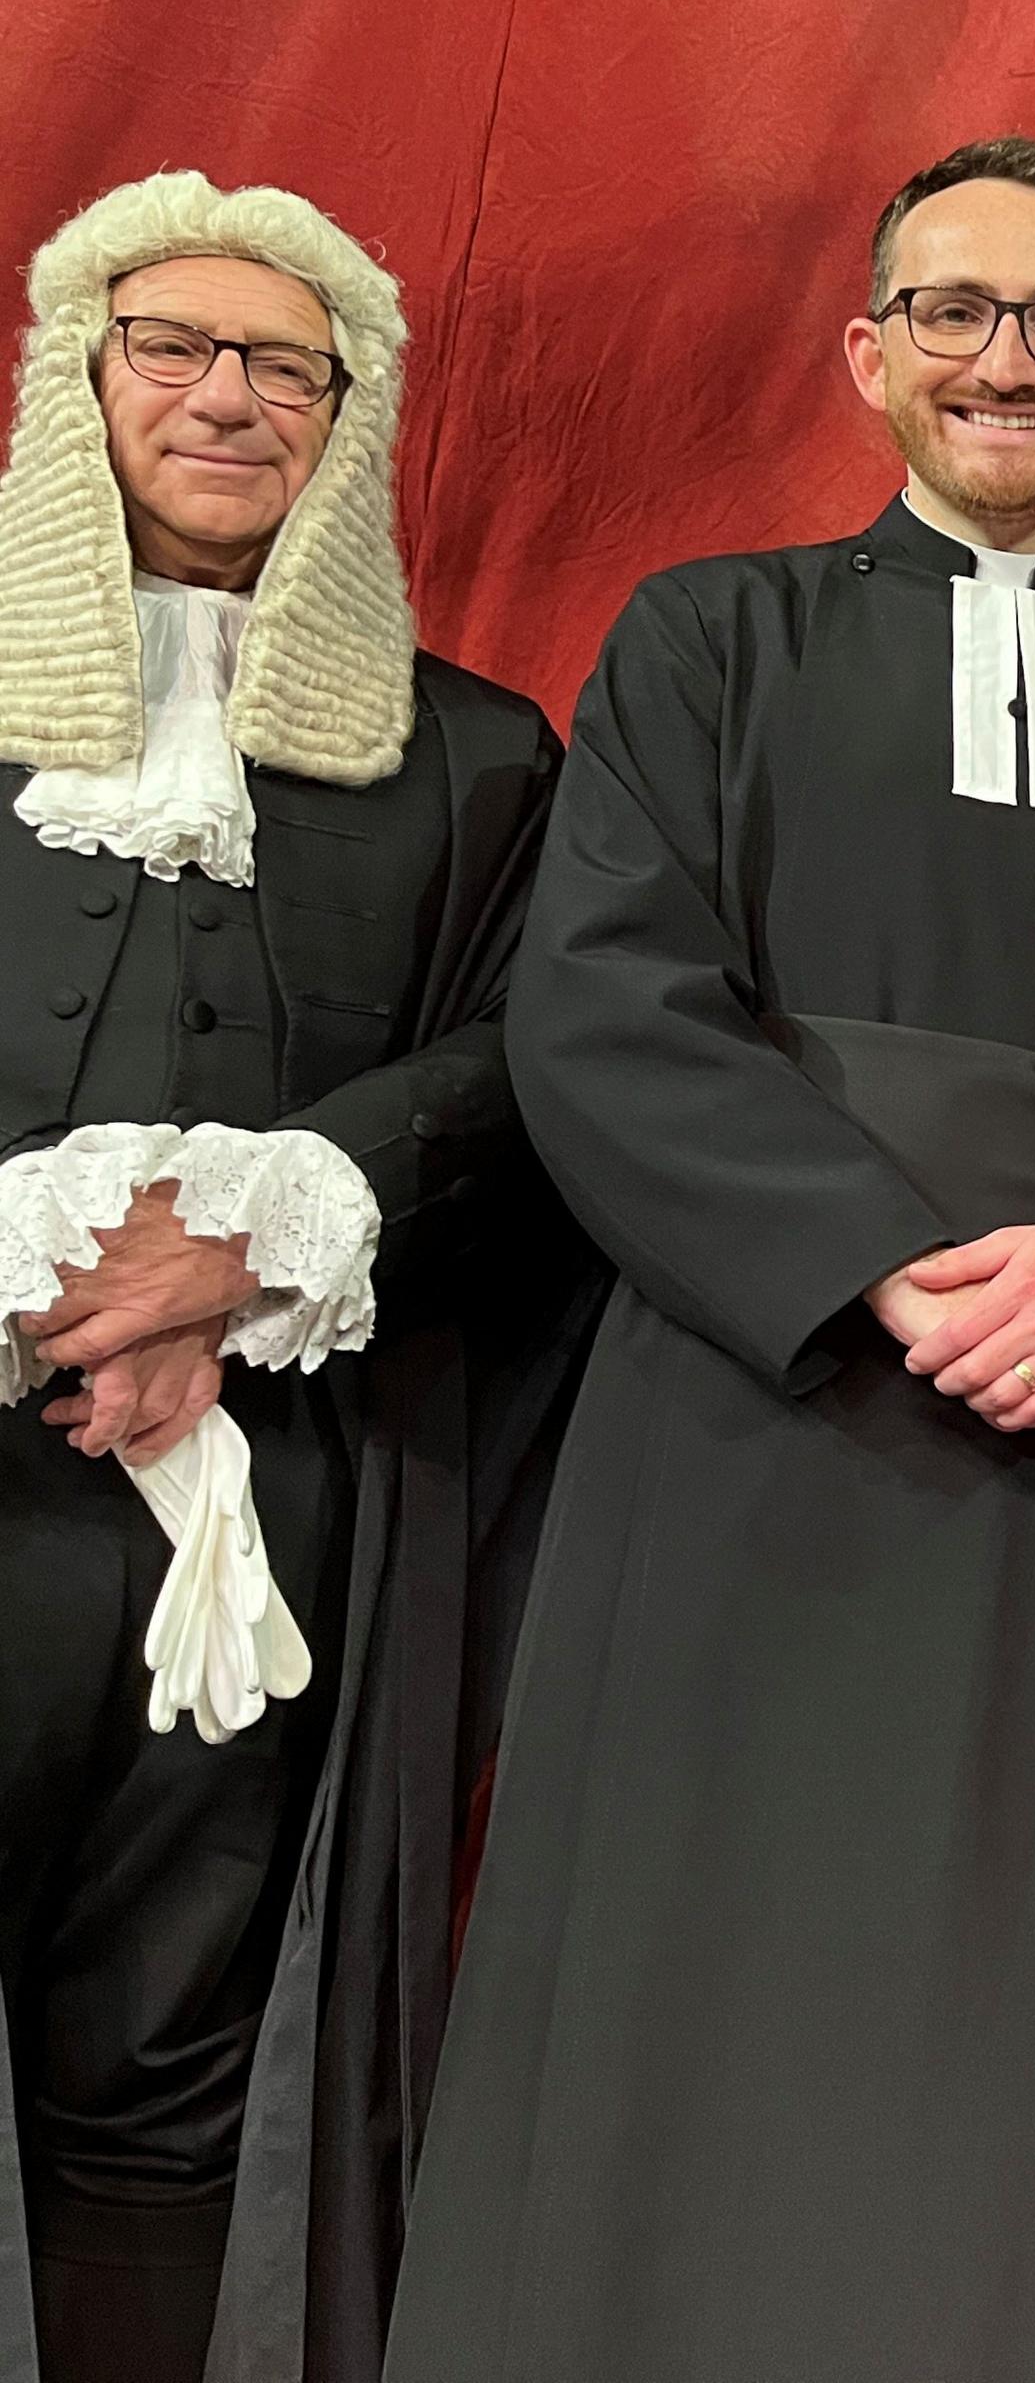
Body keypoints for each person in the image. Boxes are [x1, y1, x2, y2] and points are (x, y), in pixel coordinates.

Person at [384, 137, 1035, 2383]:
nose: (1007, 360)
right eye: (957, 313)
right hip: (760, 1406)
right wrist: (885, 1271)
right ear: (869, 354)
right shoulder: (712, 637)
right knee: (722, 1963)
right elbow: (604, 1005)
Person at [0, 171, 593, 2383]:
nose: (229, 396)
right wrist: (61, 1274)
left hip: (268, 1532)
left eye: (286, 367)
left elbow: (542, 1069)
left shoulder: (477, 760)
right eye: (174, 345)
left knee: (161, 2084)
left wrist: (255, 1237)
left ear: (346, 422)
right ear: (82, 375)